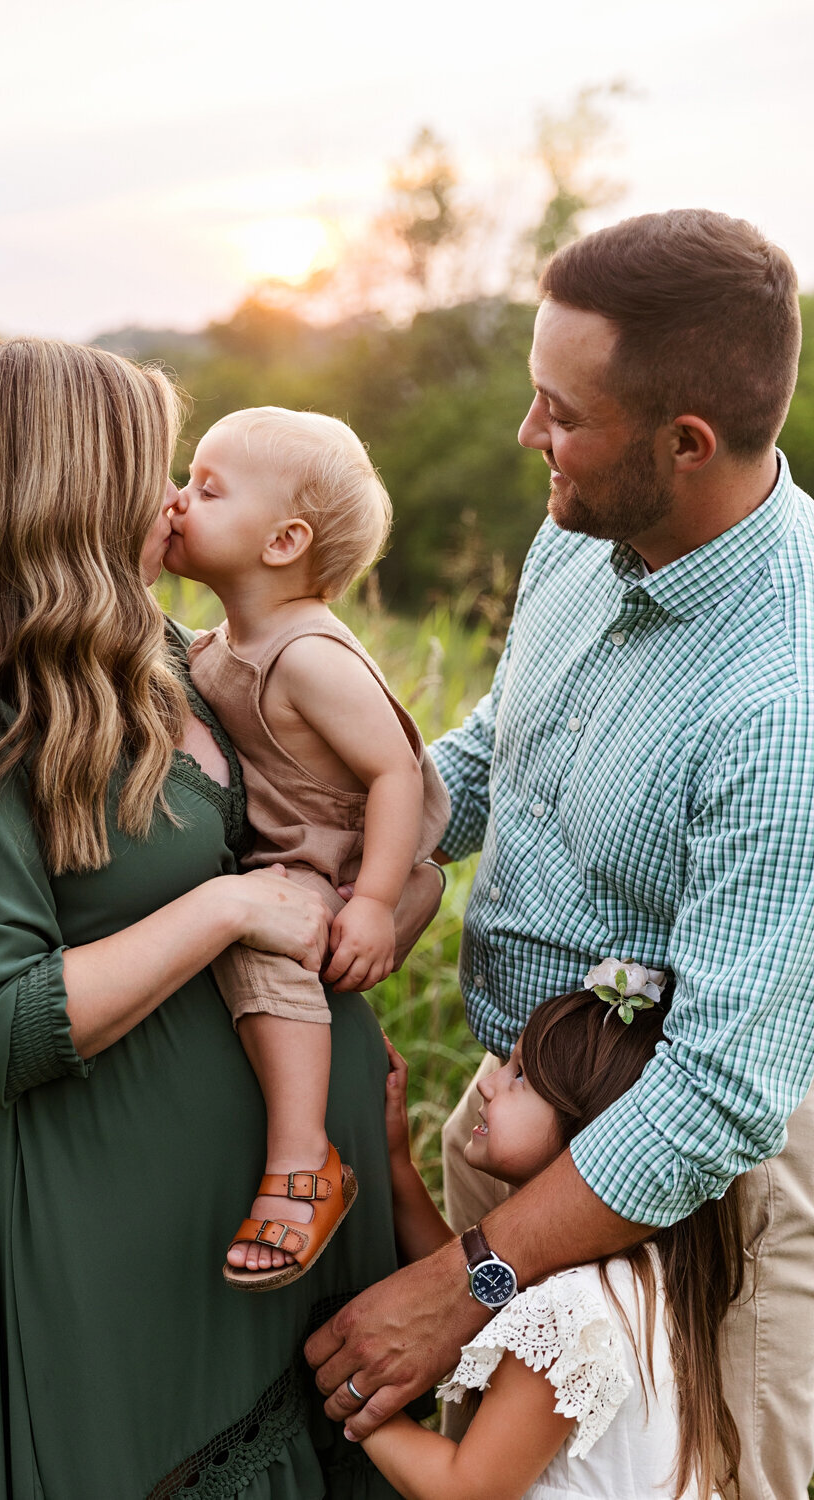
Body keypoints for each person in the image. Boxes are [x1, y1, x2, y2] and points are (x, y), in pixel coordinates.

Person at [0, 338, 435, 1500]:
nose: (172, 499)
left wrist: (385, 900)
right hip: (116, 1235)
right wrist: (227, 906)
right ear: (69, 490)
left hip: (290, 1213)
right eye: (154, 470)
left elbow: (343, 808)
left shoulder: (164, 657)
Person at [305, 210, 814, 1500]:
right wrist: (346, 850)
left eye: (559, 410)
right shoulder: (583, 532)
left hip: (712, 1210)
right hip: (536, 1116)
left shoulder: (784, 693)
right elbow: (498, 750)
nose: (528, 434)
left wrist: (467, 1273)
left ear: (684, 443)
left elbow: (717, 1094)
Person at [165, 406, 449, 1289]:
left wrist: (370, 900)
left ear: (284, 540)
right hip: (300, 862)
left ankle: (305, 1159)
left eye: (206, 490)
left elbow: (397, 774)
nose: (177, 500)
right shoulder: (218, 645)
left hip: (350, 868)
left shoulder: (310, 655)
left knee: (266, 945)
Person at [359, 966, 743, 1500]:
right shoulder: (632, 1268)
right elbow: (470, 1302)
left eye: (519, 1076)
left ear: (589, 1129)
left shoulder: (569, 1309)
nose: (489, 1084)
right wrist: (398, 1164)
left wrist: (357, 1405)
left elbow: (465, 1489)